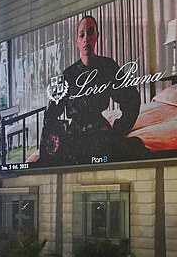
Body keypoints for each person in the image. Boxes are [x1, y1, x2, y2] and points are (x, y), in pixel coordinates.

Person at [39, 15, 143, 165]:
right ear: (77, 41)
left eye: (90, 32)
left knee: (136, 148)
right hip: (74, 138)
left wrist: (119, 129)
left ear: (97, 36)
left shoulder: (108, 66)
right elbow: (51, 113)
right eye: (82, 35)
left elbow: (131, 99)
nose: (86, 38)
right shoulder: (68, 74)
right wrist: (56, 139)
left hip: (101, 133)